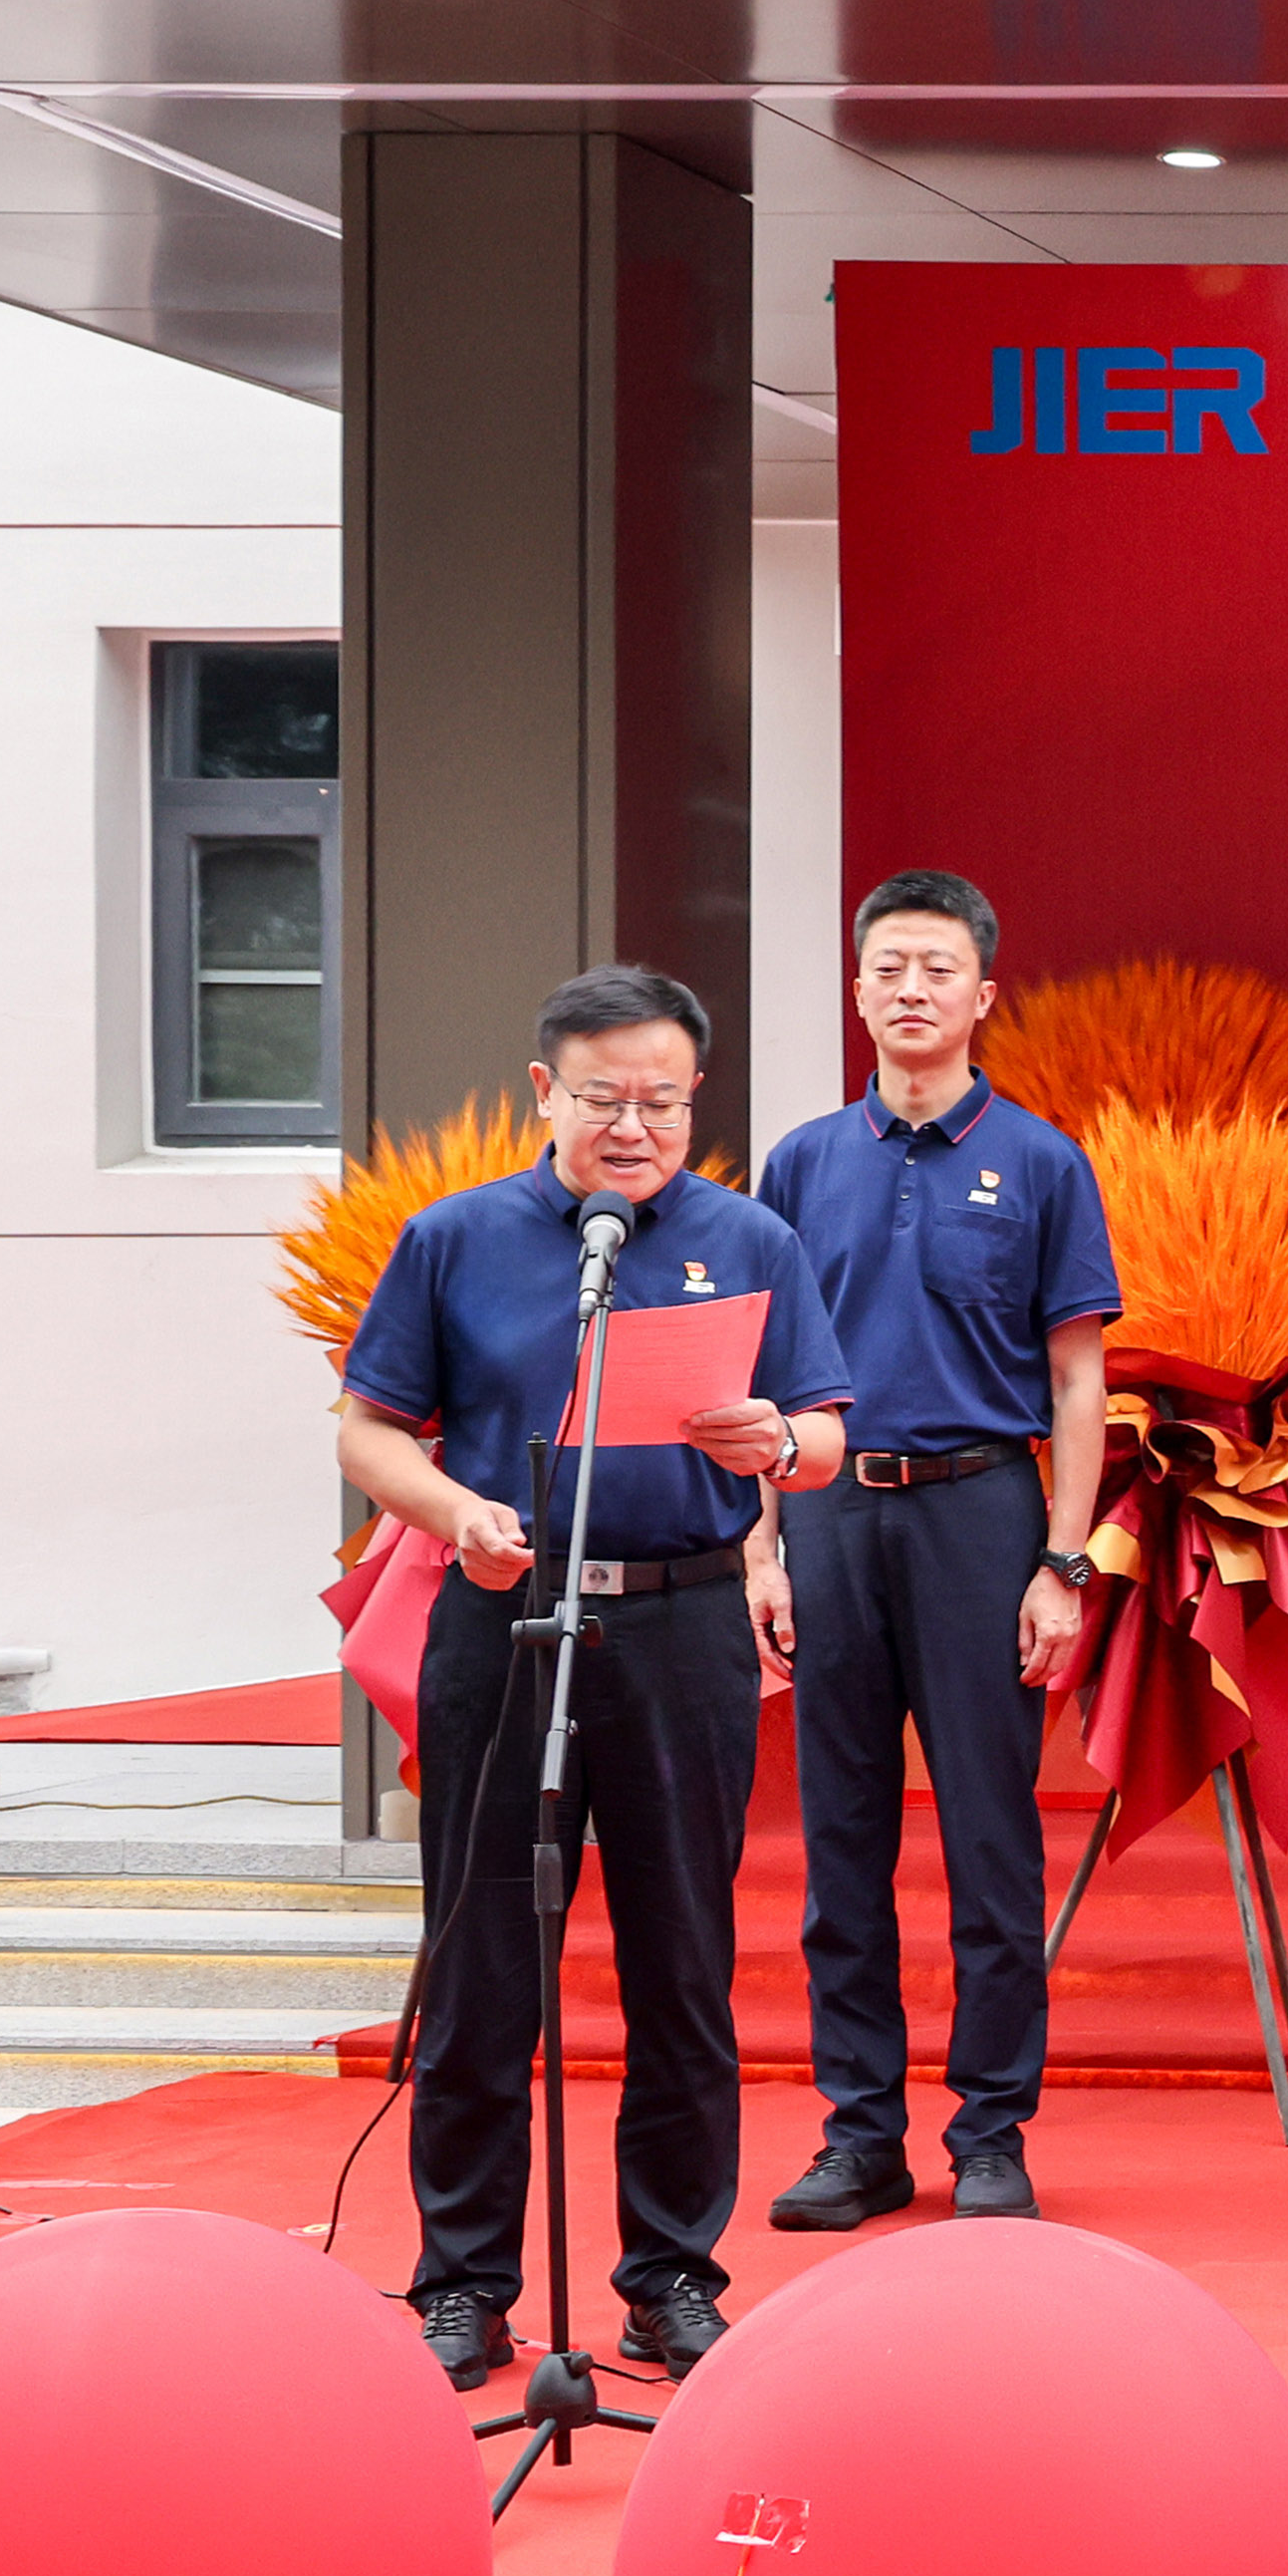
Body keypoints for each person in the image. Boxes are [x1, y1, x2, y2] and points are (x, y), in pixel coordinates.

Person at [332, 964, 849, 2391]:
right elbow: (368, 1428)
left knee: (681, 1961)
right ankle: (464, 2282)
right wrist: (455, 1513)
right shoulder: (456, 1239)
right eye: (606, 1098)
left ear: (697, 1099)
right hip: (503, 1621)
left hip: (681, 1625)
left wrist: (774, 1443)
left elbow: (825, 1436)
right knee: (483, 1961)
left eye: (663, 1102)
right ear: (544, 1092)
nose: (635, 1127)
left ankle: (671, 2275)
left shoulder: (749, 1239)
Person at [740, 871, 1121, 2230]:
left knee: (990, 1841)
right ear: (857, 991)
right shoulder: (800, 1163)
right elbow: (763, 1376)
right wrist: (762, 1550)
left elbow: (1078, 1379)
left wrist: (1062, 1562)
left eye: (937, 968)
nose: (912, 989)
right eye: (889, 967)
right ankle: (860, 2135)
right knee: (840, 1841)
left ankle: (991, 2130)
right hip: (831, 1512)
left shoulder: (1043, 1161)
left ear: (982, 994)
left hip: (980, 1515)